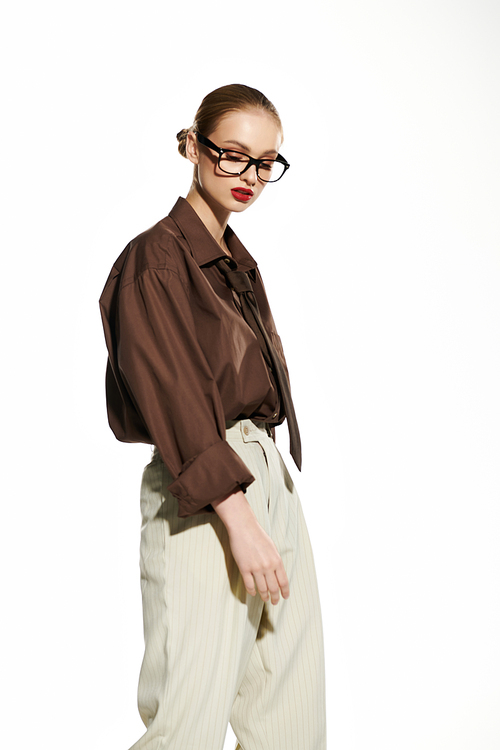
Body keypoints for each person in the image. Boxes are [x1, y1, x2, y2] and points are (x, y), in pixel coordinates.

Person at [99, 83, 326, 750]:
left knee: (290, 717)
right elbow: (177, 397)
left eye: (265, 162)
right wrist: (238, 519)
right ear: (194, 148)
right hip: (206, 489)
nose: (250, 176)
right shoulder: (158, 260)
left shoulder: (237, 264)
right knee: (188, 721)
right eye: (233, 155)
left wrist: (267, 498)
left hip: (265, 474)